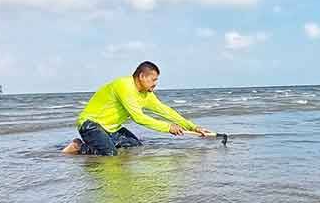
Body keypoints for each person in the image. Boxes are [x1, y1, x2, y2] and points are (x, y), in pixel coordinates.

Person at [62, 61, 212, 155]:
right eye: (153, 80)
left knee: (135, 146)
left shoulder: (146, 94)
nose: (155, 84)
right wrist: (168, 128)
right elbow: (138, 118)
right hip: (90, 124)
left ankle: (100, 143)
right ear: (142, 76)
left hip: (110, 128)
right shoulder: (124, 86)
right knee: (111, 155)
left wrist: (193, 127)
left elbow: (166, 111)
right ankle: (79, 146)